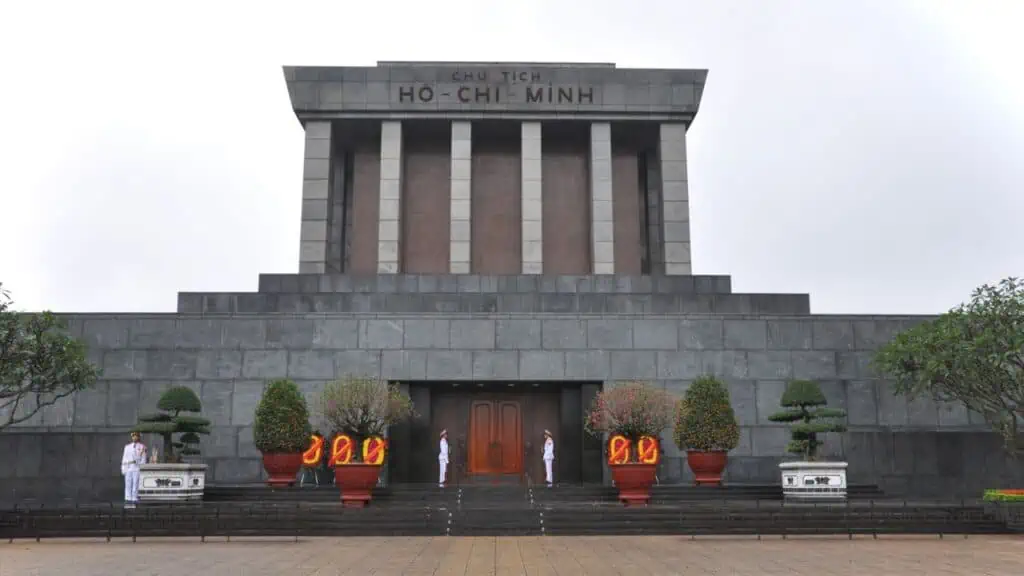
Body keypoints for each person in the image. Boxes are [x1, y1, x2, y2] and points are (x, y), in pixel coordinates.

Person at [121, 431, 147, 508]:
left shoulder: (142, 447)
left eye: (136, 436)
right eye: (133, 436)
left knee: (136, 483)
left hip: (136, 467)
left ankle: (134, 497)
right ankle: (128, 498)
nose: (134, 437)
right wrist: (123, 468)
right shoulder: (127, 447)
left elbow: (143, 459)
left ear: (138, 437)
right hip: (129, 466)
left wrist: (141, 466)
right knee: (128, 483)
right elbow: (124, 458)